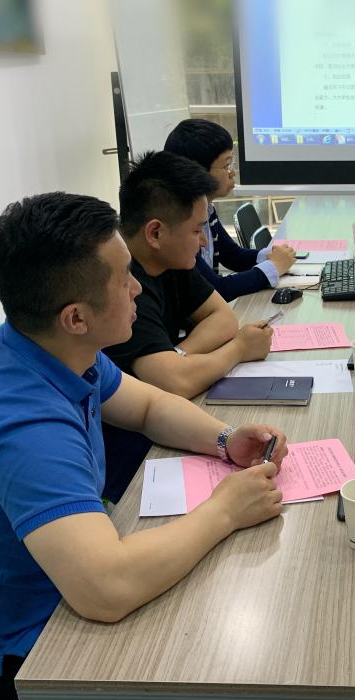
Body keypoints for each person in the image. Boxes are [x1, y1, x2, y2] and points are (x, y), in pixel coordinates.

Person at [0, 192, 289, 700]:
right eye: (123, 279)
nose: (137, 288)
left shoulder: (49, 348)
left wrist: (226, 440)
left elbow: (149, 406)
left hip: (48, 589)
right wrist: (225, 511)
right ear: (76, 317)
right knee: (206, 678)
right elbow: (105, 589)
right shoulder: (23, 424)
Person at [101, 150, 275, 500]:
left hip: (162, 431)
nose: (204, 241)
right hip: (133, 466)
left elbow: (223, 319)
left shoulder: (171, 261)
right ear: (155, 233)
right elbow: (173, 382)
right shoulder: (119, 292)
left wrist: (178, 354)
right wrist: (239, 349)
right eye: (196, 230)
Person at [164, 118, 296, 301]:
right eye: (226, 166)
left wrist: (269, 256)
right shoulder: (181, 224)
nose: (232, 172)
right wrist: (273, 267)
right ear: (198, 172)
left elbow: (232, 255)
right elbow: (217, 289)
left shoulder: (207, 209)